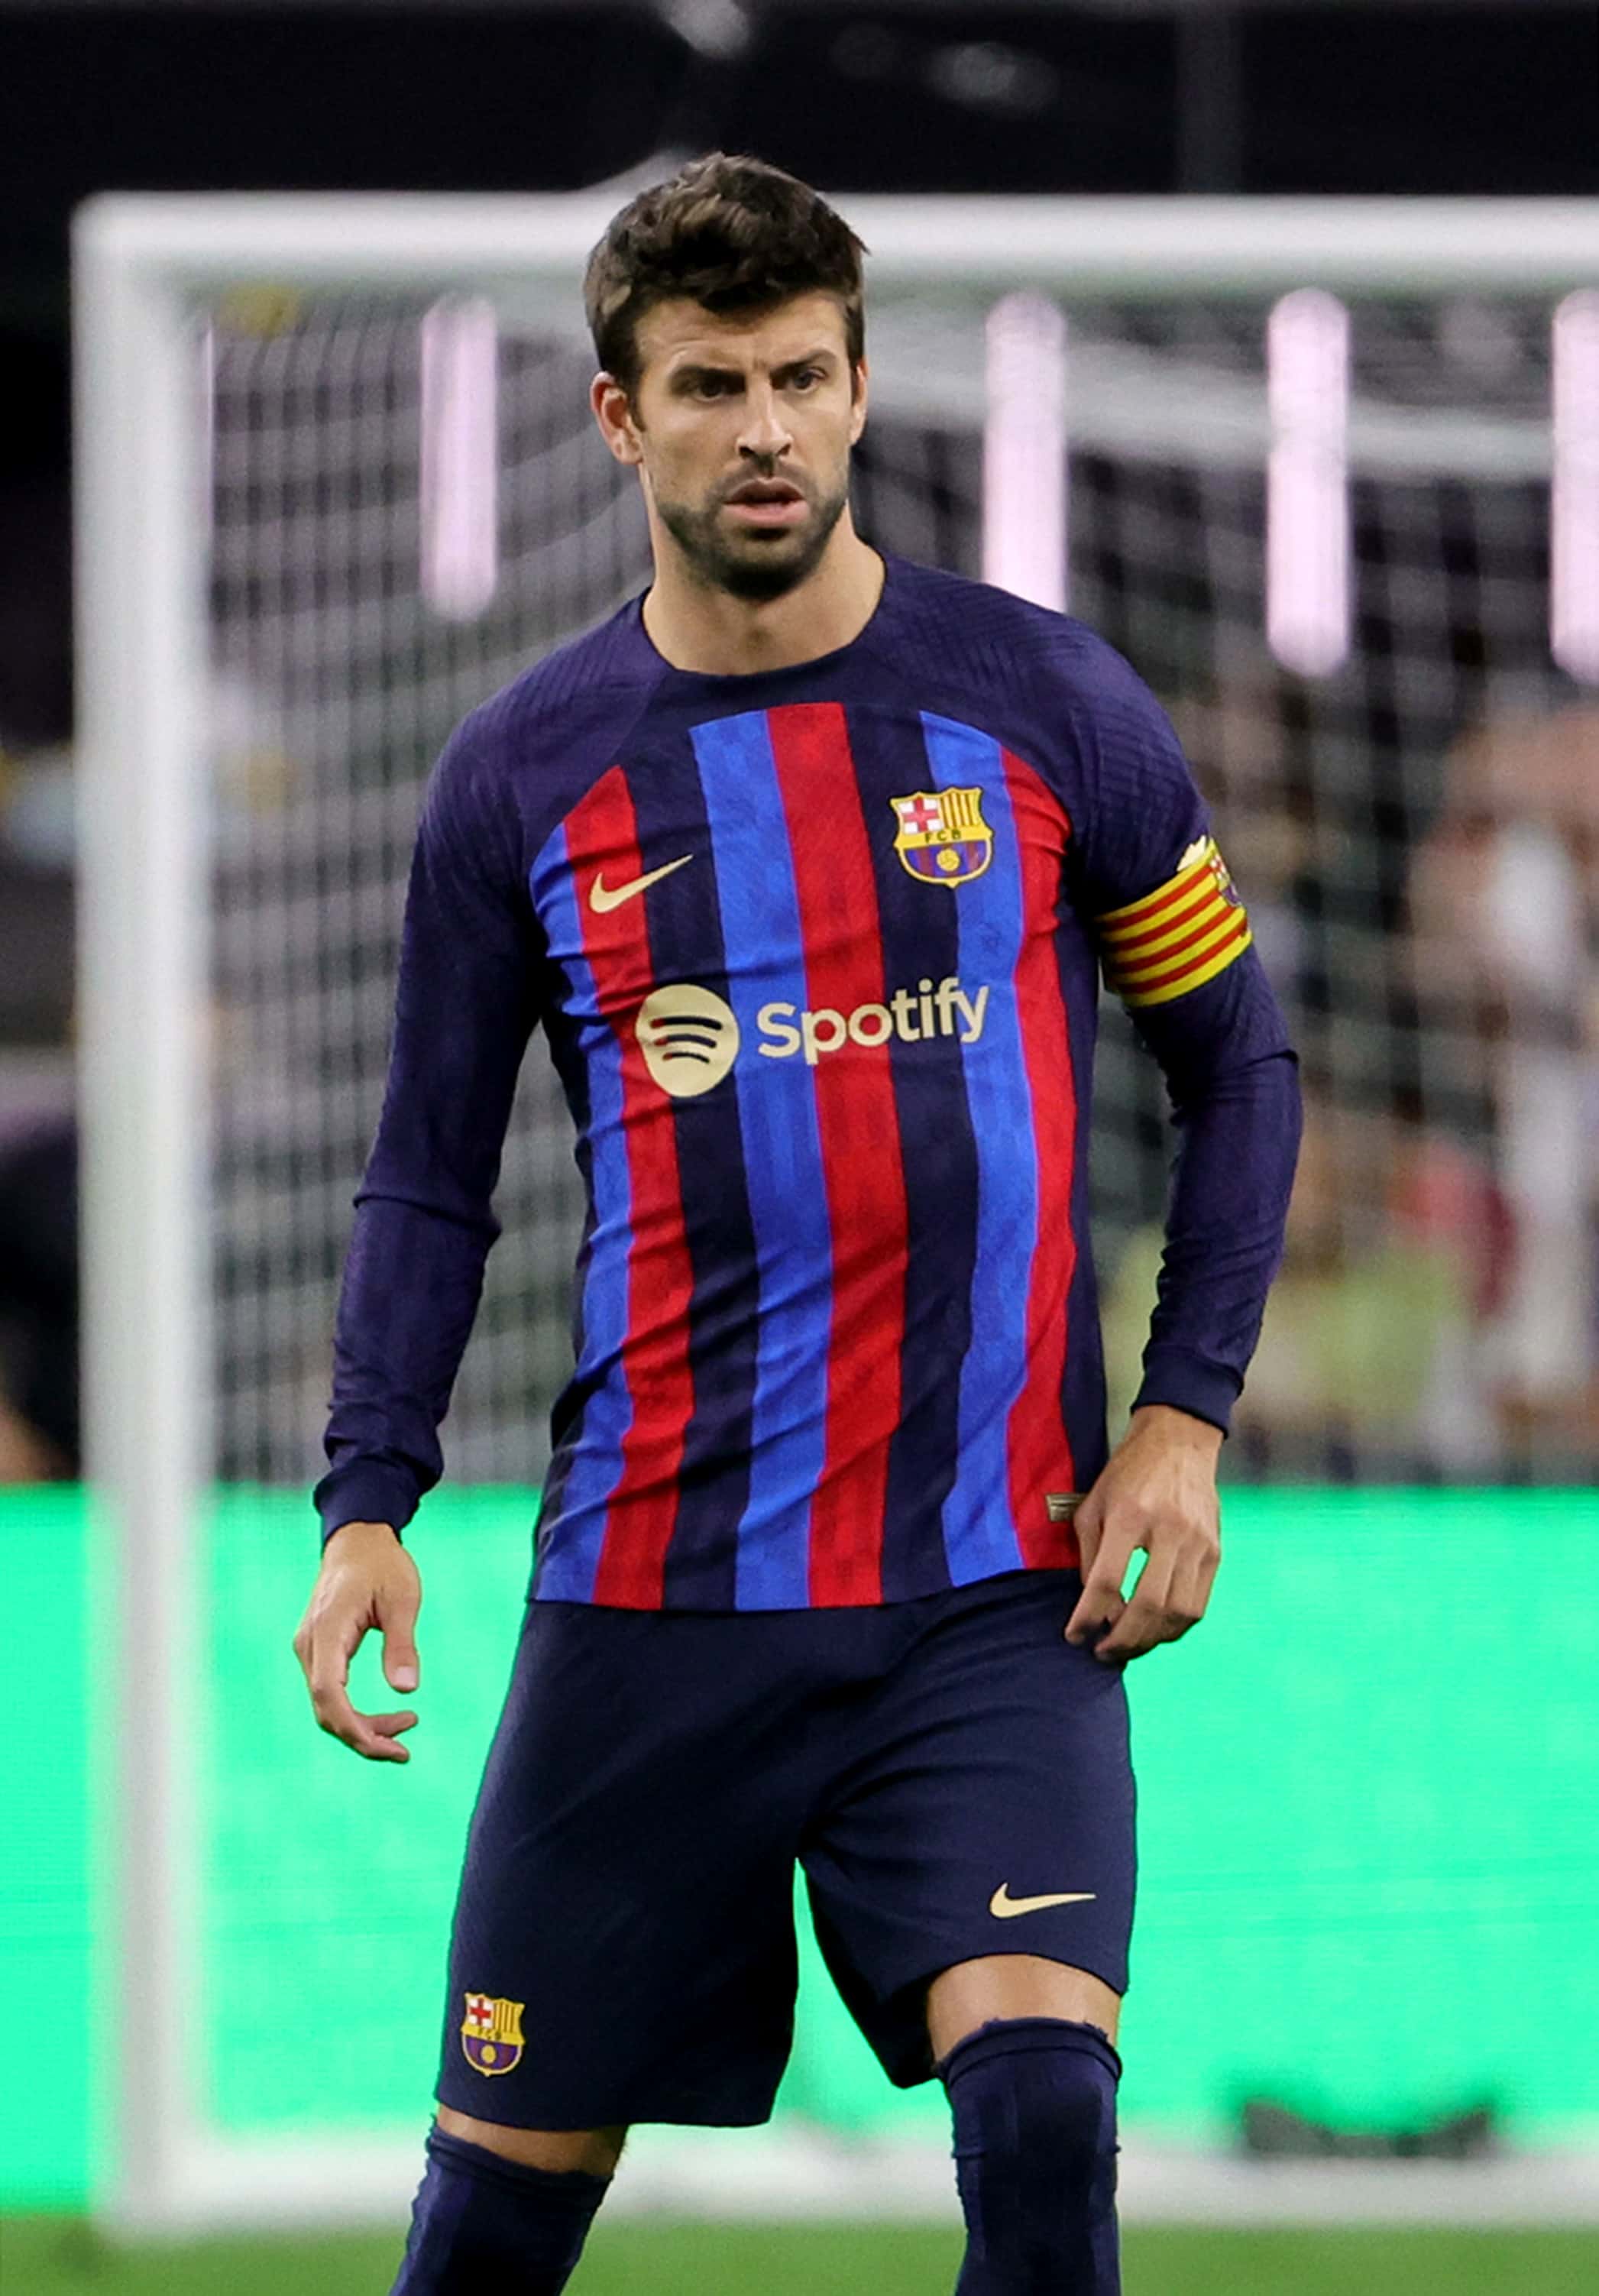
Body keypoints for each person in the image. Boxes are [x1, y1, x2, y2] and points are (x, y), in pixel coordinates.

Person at [293, 154, 1301, 2296]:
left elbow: (1246, 1068)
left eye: (802, 377)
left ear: (859, 395)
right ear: (616, 416)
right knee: (489, 2228)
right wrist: (368, 1498)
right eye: (710, 383)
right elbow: (422, 1170)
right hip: (653, 1599)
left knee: (1045, 2112)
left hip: (987, 1596)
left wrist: (1186, 1414)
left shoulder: (1045, 704)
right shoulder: (523, 777)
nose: (763, 427)